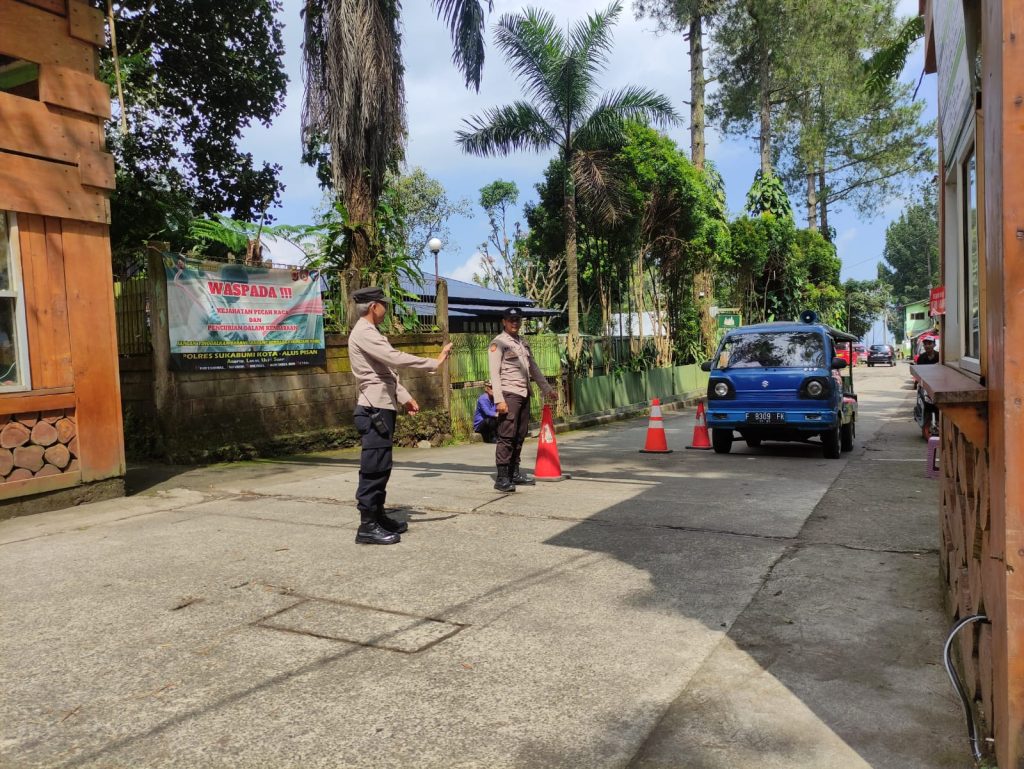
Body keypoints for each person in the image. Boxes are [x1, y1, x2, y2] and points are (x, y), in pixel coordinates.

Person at [348, 286, 452, 545]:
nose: (386, 309)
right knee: (373, 468)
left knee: (382, 466)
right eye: (384, 304)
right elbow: (393, 358)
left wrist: (405, 398)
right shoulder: (364, 332)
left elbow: (385, 373)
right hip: (373, 408)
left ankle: (379, 516)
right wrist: (433, 362)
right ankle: (367, 526)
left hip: (382, 404)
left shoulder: (370, 332)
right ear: (374, 306)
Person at [488, 307, 558, 492]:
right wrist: (499, 400)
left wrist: (547, 389)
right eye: (511, 320)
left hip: (524, 393)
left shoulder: (522, 343)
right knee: (506, 436)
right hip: (509, 394)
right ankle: (502, 478)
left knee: (519, 435)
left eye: (517, 320)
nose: (514, 323)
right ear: (504, 321)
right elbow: (494, 374)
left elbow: (533, 368)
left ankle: (514, 473)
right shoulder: (498, 343)